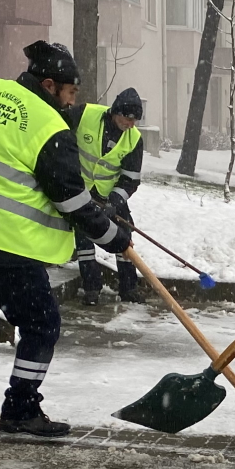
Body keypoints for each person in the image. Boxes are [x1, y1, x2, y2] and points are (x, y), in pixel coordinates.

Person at [0, 41, 131, 437]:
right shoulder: (50, 128)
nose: (71, 103)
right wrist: (115, 238)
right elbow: (70, 200)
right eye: (70, 93)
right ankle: (20, 409)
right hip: (6, 245)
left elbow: (6, 157)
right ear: (49, 85)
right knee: (41, 324)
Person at [70, 87, 146, 306]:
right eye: (127, 118)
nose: (130, 124)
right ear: (116, 111)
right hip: (80, 190)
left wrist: (114, 202)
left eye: (135, 120)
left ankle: (128, 287)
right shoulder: (85, 114)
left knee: (124, 236)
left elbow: (130, 179)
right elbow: (59, 135)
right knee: (84, 237)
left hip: (109, 195)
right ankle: (91, 288)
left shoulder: (134, 140)